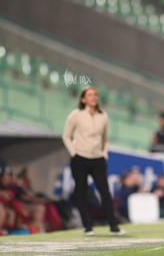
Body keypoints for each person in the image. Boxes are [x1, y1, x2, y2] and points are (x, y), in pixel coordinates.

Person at [62, 87, 125, 236]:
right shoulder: (75, 115)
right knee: (81, 191)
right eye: (90, 95)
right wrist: (74, 153)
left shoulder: (103, 115)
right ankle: (87, 226)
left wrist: (104, 153)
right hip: (80, 158)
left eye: (95, 94)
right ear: (83, 99)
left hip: (97, 159)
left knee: (105, 192)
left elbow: (105, 138)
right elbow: (66, 136)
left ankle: (113, 226)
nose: (94, 97)